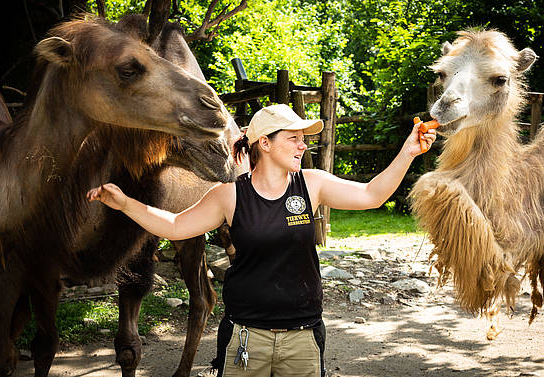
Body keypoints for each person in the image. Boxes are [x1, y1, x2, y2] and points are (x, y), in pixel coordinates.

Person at [87, 104, 436, 377]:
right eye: (294, 138)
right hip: (246, 337)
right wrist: (125, 203)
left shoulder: (311, 184)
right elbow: (176, 225)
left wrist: (408, 151)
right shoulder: (228, 196)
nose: (303, 145)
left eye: (304, 138)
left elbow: (371, 195)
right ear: (265, 143)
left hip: (303, 335)